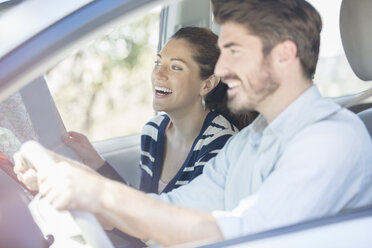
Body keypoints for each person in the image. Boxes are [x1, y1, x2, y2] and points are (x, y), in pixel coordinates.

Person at [14, 0, 372, 246]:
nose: (221, 69)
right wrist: (82, 184)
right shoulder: (248, 143)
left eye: (233, 50)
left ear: (283, 55)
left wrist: (102, 194)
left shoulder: (331, 139)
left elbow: (244, 238)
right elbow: (172, 210)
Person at [61, 27, 254, 195]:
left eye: (176, 67)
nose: (159, 74)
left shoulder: (220, 143)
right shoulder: (153, 130)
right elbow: (144, 207)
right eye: (158, 63)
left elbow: (171, 224)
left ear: (207, 84)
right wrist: (96, 163)